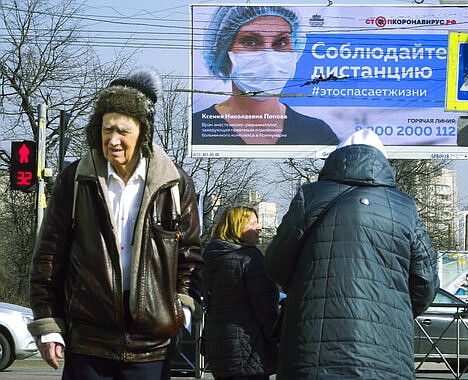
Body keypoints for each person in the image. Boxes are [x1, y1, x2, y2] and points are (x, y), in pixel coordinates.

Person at [28, 67, 203, 379]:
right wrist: (49, 324)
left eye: (123, 131)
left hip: (151, 344)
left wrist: (181, 307)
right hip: (88, 344)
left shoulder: (173, 185)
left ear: (143, 132)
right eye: (107, 129)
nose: (113, 140)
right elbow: (48, 257)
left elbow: (189, 255)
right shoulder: (76, 180)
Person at [264, 129, 439, 379]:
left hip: (312, 350)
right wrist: (392, 307)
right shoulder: (404, 207)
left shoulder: (309, 197)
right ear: (383, 162)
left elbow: (275, 265)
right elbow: (425, 283)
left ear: (337, 158)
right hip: (385, 353)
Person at [192, 6, 339, 145]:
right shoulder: (198, 129)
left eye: (281, 42)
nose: (269, 58)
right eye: (250, 41)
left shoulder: (318, 133)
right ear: (224, 51)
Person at [202, 206, 279, 380]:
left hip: (218, 343)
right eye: (253, 223)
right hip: (249, 346)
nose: (259, 227)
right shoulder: (250, 258)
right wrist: (277, 338)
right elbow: (265, 308)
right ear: (237, 226)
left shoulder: (212, 256)